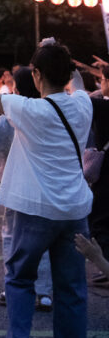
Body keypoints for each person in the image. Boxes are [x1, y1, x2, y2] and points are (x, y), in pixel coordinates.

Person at [0, 38, 92, 337]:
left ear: (37, 76)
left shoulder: (28, 110)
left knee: (19, 280)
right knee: (72, 289)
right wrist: (58, 48)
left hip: (33, 209)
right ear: (67, 74)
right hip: (75, 211)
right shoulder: (82, 105)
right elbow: (77, 82)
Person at [0, 66, 55, 312]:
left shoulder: (13, 117)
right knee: (43, 242)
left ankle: (15, 288)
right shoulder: (50, 112)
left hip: (19, 188)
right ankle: (44, 293)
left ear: (17, 87)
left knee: (13, 240)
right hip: (49, 186)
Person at [87, 63, 109, 285]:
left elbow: (78, 95)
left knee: (98, 220)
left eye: (102, 79)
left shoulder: (103, 108)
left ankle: (107, 264)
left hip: (107, 174)